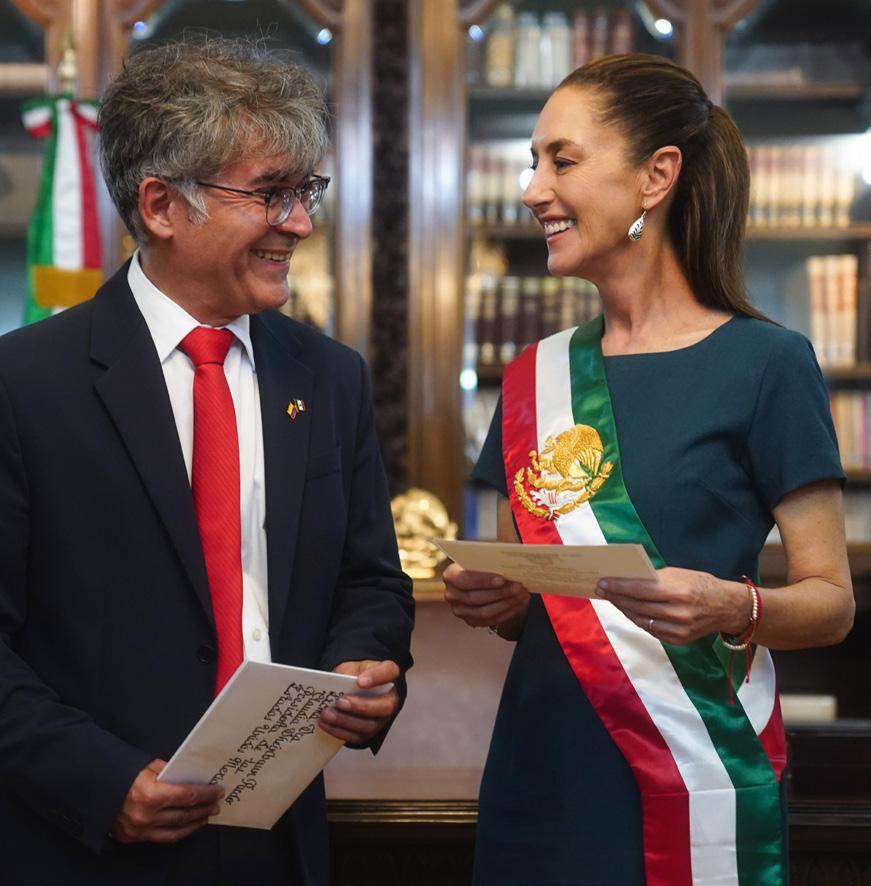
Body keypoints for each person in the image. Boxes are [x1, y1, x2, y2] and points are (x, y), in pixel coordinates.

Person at [0, 37, 414, 886]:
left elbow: (371, 581)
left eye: (305, 192)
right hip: (90, 847)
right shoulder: (22, 384)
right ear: (161, 205)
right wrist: (103, 781)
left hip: (282, 846)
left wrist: (367, 663)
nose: (299, 223)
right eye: (269, 194)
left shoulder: (328, 377)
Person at [444, 53, 854, 886]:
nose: (532, 190)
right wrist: (503, 602)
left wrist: (730, 606)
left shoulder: (766, 363)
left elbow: (830, 605)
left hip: (691, 769)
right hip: (541, 766)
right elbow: (542, 597)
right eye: (532, 163)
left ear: (654, 176)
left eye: (561, 160)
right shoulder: (533, 376)